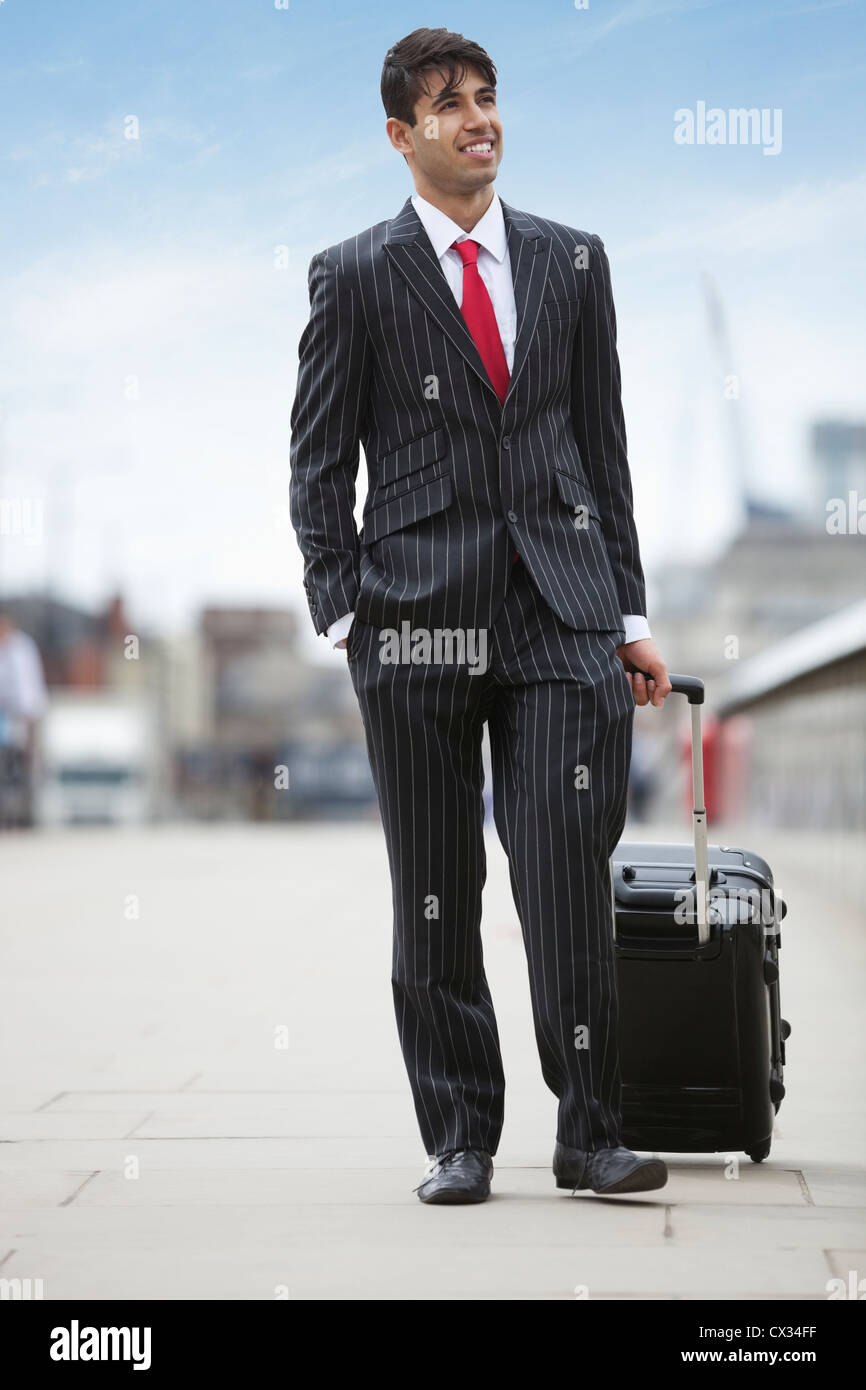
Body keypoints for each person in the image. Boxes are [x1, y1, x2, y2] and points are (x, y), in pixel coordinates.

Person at [290, 28, 673, 1204]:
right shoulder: (353, 275)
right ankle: (459, 1134)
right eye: (448, 104)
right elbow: (316, 465)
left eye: (488, 97)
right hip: (414, 620)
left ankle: (589, 1130)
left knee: (563, 867)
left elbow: (599, 449)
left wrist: (625, 612)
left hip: (559, 613)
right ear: (401, 137)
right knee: (436, 885)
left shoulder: (571, 262)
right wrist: (347, 605)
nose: (478, 118)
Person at [0, 608, 48, 828]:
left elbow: (29, 688)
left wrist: (29, 721)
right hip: (4, 715)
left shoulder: (22, 648)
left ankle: (25, 815)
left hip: (24, 716)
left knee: (25, 767)